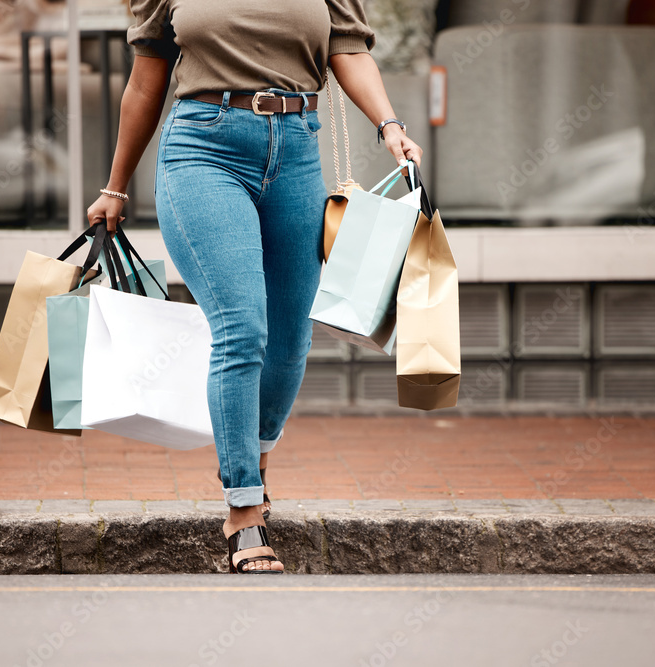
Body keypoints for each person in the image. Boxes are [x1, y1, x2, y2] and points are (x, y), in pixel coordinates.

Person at [86, 0, 423, 574]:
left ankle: (254, 469)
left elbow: (348, 49)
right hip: (202, 151)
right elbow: (146, 82)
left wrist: (390, 127)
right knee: (242, 327)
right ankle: (243, 510)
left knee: (291, 338)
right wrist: (116, 187)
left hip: (296, 149)